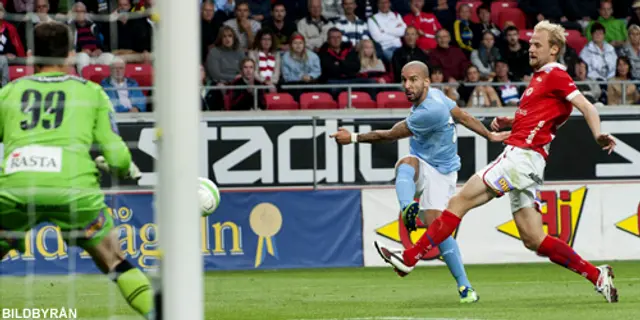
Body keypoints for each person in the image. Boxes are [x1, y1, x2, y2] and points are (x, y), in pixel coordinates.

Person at [373, 21, 619, 304]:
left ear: (554, 49)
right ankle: (596, 275)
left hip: (521, 157)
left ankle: (409, 258)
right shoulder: (541, 79)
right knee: (533, 238)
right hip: (528, 160)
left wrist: (598, 133)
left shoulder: (555, 75)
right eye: (531, 44)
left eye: (538, 44)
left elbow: (587, 106)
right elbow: (544, 116)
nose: (531, 48)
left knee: (457, 203)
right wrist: (512, 120)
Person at [0, 22, 160, 319]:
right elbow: (115, 153)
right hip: (75, 190)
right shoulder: (91, 92)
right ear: (71, 55)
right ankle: (158, 314)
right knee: (113, 259)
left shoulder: (9, 92)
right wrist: (124, 167)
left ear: (32, 57)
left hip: (16, 188)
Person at [330, 60, 510, 303]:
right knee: (406, 163)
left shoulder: (430, 111)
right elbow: (462, 116)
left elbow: (391, 134)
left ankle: (465, 287)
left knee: (440, 230)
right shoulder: (437, 96)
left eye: (413, 79)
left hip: (443, 174)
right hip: (423, 163)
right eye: (404, 80)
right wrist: (489, 135)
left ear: (426, 81)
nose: (407, 85)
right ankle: (407, 209)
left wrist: (352, 137)